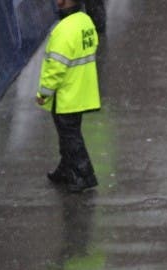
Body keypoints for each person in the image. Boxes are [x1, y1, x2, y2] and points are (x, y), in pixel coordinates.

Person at [37, 0, 100, 194]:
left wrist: (43, 94)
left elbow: (55, 69)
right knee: (68, 134)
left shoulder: (63, 30)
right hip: (81, 91)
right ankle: (66, 169)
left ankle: (84, 175)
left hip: (66, 96)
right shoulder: (85, 22)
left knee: (71, 137)